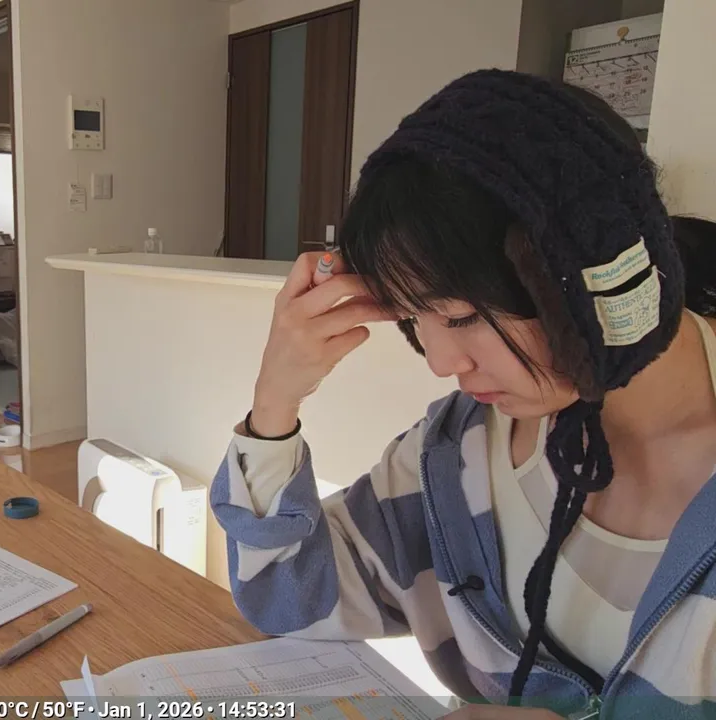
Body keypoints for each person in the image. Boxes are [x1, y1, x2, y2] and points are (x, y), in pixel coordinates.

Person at [212, 70, 716, 719]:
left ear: (588, 270)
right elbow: (285, 600)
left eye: (461, 316)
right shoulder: (457, 455)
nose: (442, 363)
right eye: (414, 320)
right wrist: (274, 404)